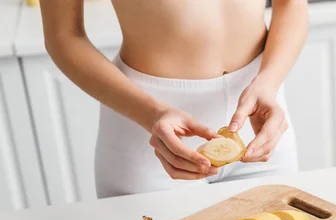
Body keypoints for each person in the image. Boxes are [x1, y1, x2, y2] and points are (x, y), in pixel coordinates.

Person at [39, 0, 308, 198]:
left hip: (259, 112)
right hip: (147, 125)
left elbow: (292, 4)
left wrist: (269, 81)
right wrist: (151, 114)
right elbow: (63, 36)